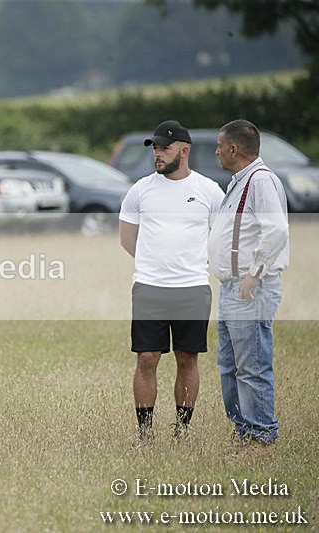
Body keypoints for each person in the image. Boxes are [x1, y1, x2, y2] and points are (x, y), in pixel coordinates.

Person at [119, 120, 225, 442]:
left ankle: (181, 431)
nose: (158, 154)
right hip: (150, 287)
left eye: (165, 148)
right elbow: (127, 239)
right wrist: (156, 264)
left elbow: (220, 238)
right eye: (155, 148)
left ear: (184, 150)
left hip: (192, 288)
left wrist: (189, 265)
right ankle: (145, 433)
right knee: (147, 358)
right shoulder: (140, 190)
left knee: (187, 358)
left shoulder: (208, 191)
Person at [208, 119, 289, 446]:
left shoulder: (260, 181)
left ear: (233, 148)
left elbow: (277, 231)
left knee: (252, 367)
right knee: (229, 368)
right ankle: (244, 432)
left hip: (250, 289)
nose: (216, 151)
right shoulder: (239, 181)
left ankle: (261, 436)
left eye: (219, 145)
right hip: (231, 289)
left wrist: (253, 274)